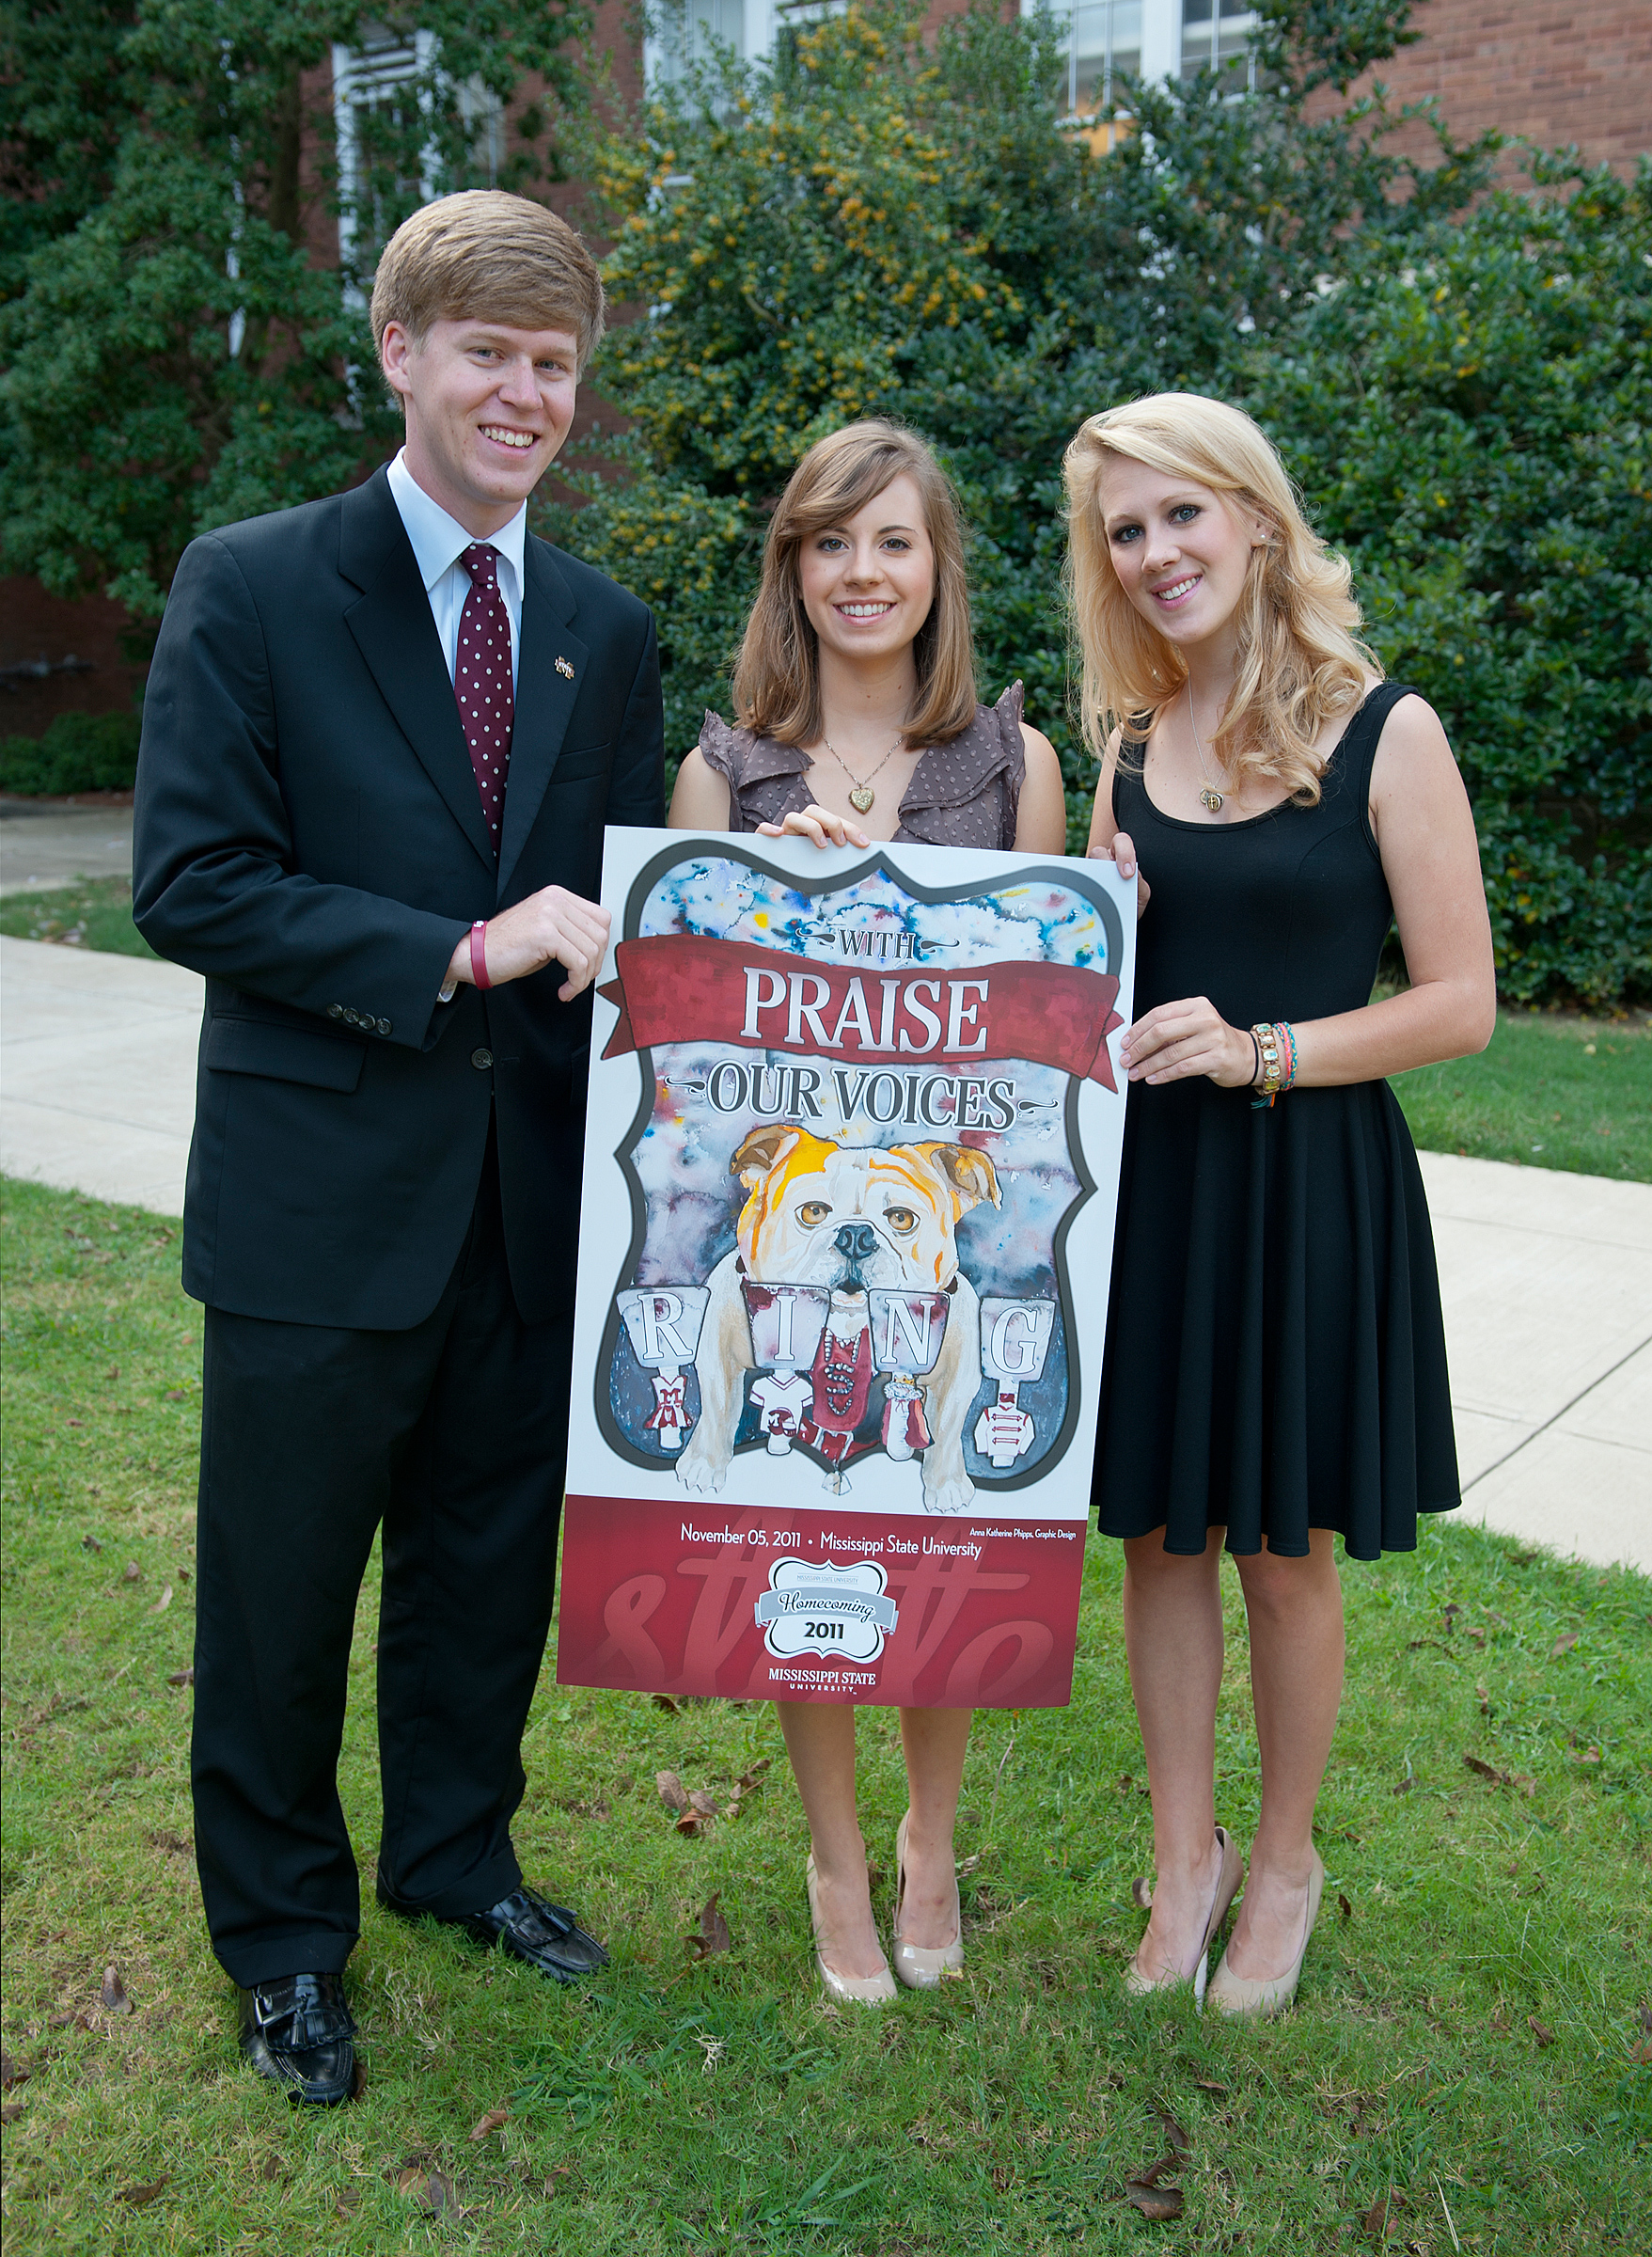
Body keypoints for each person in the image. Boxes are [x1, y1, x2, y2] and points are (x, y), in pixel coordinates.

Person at [132, 191, 665, 2104]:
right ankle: (282, 1939)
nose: (527, 396)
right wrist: (452, 949)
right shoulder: (256, 581)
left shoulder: (600, 625)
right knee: (280, 1593)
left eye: (554, 365)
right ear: (401, 356)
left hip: (523, 1210)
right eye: (491, 356)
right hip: (317, 1204)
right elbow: (192, 882)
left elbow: (628, 922)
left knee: (479, 1574)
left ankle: (457, 1859)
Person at [1066, 393, 1494, 2015]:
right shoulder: (1124, 744)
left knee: (1282, 1548)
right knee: (1160, 1538)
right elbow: (1092, 980)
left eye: (1184, 515)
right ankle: (1185, 1862)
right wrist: (1092, 927)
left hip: (1305, 1177)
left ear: (1254, 518)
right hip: (1156, 1186)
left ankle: (1288, 1857)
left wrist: (1266, 1052)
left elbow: (1460, 1005)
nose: (1159, 552)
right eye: (1126, 529)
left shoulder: (1389, 729)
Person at [670, 418, 1068, 2001]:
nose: (860, 573)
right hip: (788, 1230)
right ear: (792, 565)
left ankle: (927, 1836)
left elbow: (1040, 1025)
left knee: (938, 1519)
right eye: (828, 542)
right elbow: (691, 1036)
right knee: (804, 1525)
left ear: (936, 568)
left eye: (891, 542)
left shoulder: (1011, 761)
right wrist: (773, 881)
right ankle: (835, 1864)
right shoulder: (724, 767)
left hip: (937, 1225)